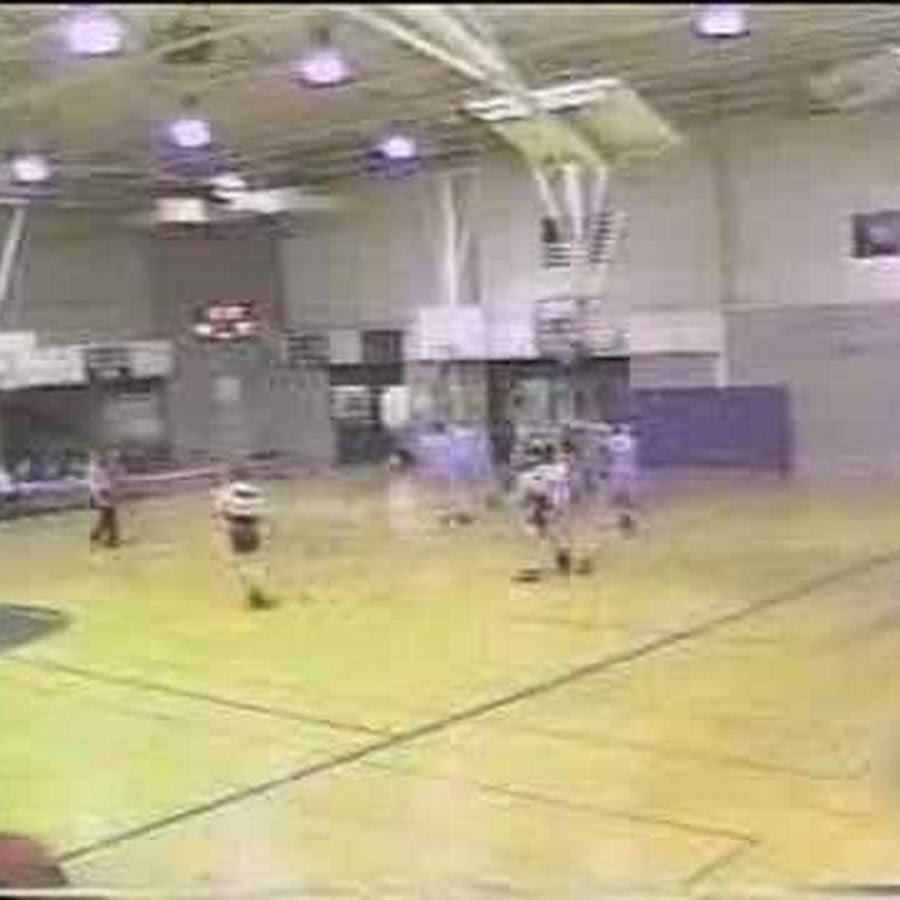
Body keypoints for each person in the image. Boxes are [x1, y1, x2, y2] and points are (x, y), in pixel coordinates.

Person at [513, 440, 587, 581]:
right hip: (562, 506)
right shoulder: (562, 468)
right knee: (555, 533)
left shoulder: (537, 472)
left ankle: (535, 567)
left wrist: (529, 504)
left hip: (547, 506)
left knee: (536, 534)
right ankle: (563, 557)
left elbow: (536, 492)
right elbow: (571, 481)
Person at [213, 466, 275, 609]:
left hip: (236, 527)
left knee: (240, 561)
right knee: (254, 559)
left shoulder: (228, 491)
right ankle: (258, 591)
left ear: (233, 477)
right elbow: (261, 512)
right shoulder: (256, 491)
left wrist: (223, 524)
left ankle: (250, 594)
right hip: (252, 527)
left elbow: (219, 510)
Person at [607, 423, 639, 536]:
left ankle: (625, 518)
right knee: (625, 497)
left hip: (621, 471)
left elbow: (612, 450)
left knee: (622, 496)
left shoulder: (617, 441)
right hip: (625, 470)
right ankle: (626, 518)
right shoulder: (630, 441)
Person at [87, 452, 120, 548]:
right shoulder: (94, 468)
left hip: (104, 494)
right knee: (109, 516)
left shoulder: (102, 467)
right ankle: (109, 537)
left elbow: (110, 478)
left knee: (108, 516)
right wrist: (104, 490)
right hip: (101, 494)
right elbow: (97, 483)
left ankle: (99, 535)